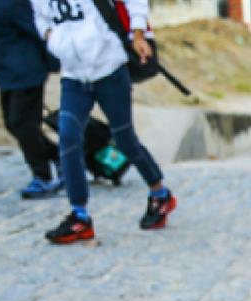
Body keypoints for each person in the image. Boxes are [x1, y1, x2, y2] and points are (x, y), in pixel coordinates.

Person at [29, 0, 176, 244]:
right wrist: (52, 38)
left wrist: (138, 34)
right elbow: (40, 17)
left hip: (110, 68)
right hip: (74, 75)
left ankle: (159, 193)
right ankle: (79, 215)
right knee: (68, 137)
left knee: (124, 140)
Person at [0, 0, 63, 199]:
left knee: (23, 124)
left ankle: (44, 176)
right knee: (13, 124)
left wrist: (54, 61)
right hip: (6, 73)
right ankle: (60, 156)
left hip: (27, 70)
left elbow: (38, 29)